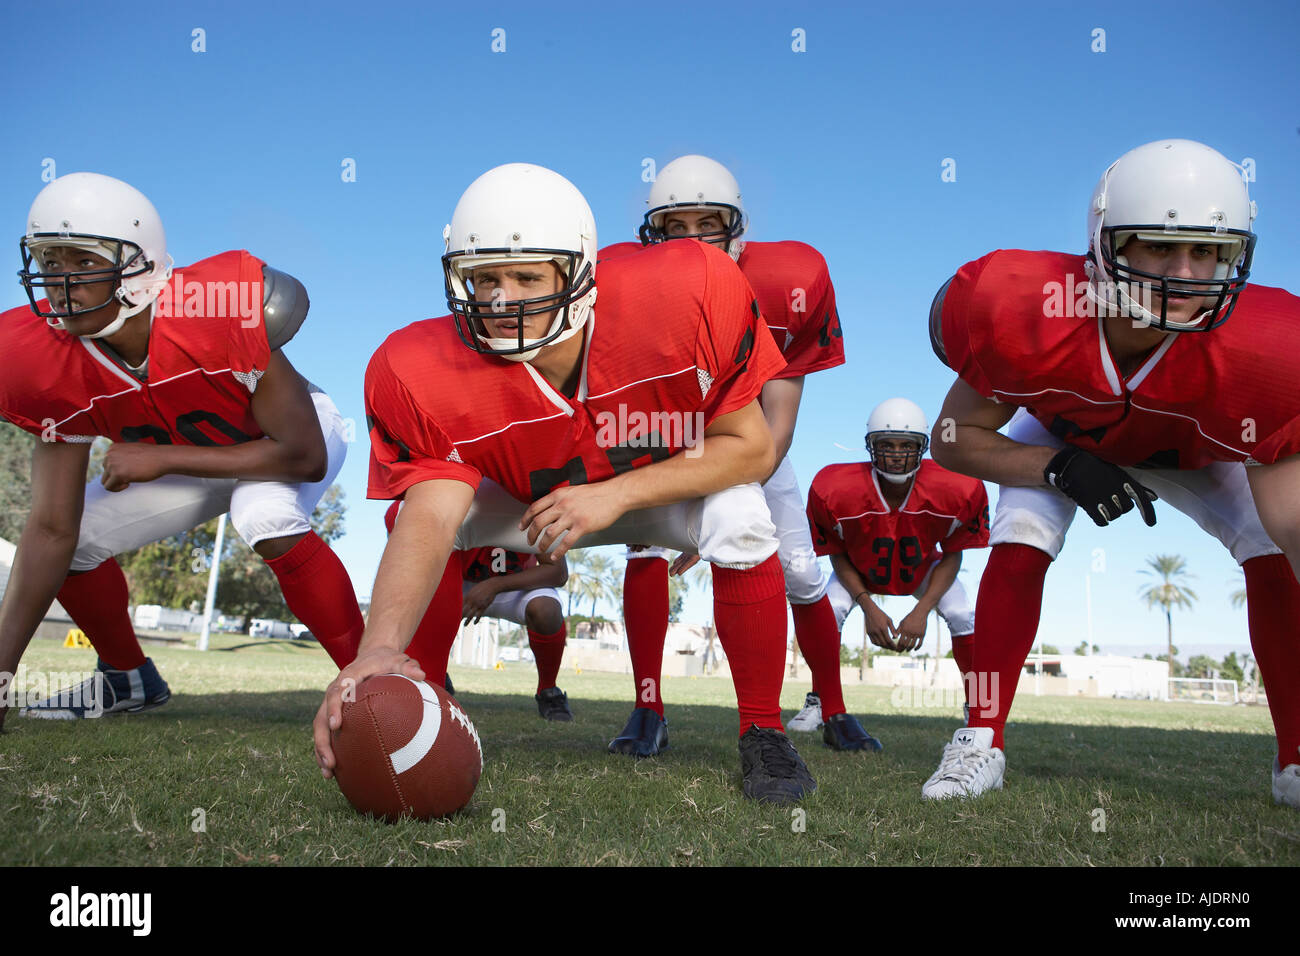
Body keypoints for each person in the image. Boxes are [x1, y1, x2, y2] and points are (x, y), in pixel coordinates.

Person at [313, 163, 818, 804]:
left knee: (741, 516)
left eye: (526, 276)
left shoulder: (683, 296)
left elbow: (751, 448)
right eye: (484, 278)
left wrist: (615, 495)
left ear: (580, 272)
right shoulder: (418, 367)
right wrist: (376, 649)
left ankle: (764, 733)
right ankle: (424, 691)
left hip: (646, 492)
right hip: (528, 505)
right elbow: (435, 515)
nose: (502, 300)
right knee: (414, 513)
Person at [924, 139, 1300, 808]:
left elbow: (1292, 524)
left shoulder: (1268, 352)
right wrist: (1056, 466)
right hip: (1067, 438)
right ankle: (980, 740)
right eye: (1159, 246)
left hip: (1198, 455)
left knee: (1270, 546)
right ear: (1106, 243)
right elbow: (952, 439)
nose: (1185, 274)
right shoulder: (1028, 308)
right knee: (1022, 526)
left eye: (1208, 252)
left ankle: (1294, 760)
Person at [0, 173, 363, 723]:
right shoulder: (41, 362)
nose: (60, 283)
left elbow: (303, 454)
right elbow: (51, 528)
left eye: (80, 261)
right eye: (49, 264)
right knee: (74, 540)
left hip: (290, 438)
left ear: (138, 266)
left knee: (261, 509)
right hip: (192, 462)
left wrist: (162, 457)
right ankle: (127, 679)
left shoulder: (214, 308)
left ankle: (376, 679)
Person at [600, 155, 878, 757]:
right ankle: (649, 707)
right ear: (654, 235)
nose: (694, 239)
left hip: (751, 444)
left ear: (737, 227)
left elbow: (775, 427)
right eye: (677, 226)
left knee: (802, 575)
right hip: (663, 434)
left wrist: (709, 515)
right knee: (644, 543)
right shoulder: (626, 279)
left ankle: (832, 707)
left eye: (709, 223)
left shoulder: (786, 283)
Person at [809, 398, 988, 718]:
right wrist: (867, 605)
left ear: (922, 447)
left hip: (923, 569)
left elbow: (953, 554)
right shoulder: (833, 488)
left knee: (963, 615)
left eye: (906, 445)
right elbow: (836, 553)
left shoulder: (956, 485)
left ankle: (981, 709)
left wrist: (921, 611)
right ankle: (820, 700)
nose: (895, 454)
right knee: (829, 610)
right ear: (870, 446)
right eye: (886, 444)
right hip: (859, 570)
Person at [383, 502, 571, 719]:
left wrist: (494, 586)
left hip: (513, 585)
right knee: (420, 598)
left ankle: (549, 690)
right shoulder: (460, 497)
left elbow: (558, 573)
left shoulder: (531, 502)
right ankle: (432, 674)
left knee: (546, 609)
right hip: (461, 582)